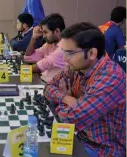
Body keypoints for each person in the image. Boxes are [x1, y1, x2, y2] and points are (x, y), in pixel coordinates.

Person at [44, 22, 126, 157]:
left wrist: (60, 102)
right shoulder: (78, 67)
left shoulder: (111, 78)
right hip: (80, 136)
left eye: (69, 53)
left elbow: (70, 120)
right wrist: (67, 98)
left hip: (103, 149)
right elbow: (48, 87)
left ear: (92, 53)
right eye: (63, 52)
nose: (65, 59)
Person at [24, 13, 67, 82]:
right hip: (44, 82)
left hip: (55, 88)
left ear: (57, 31)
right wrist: (34, 37)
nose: (43, 36)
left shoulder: (64, 48)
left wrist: (20, 70)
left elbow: (39, 67)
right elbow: (28, 58)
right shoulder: (49, 44)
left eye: (46, 32)